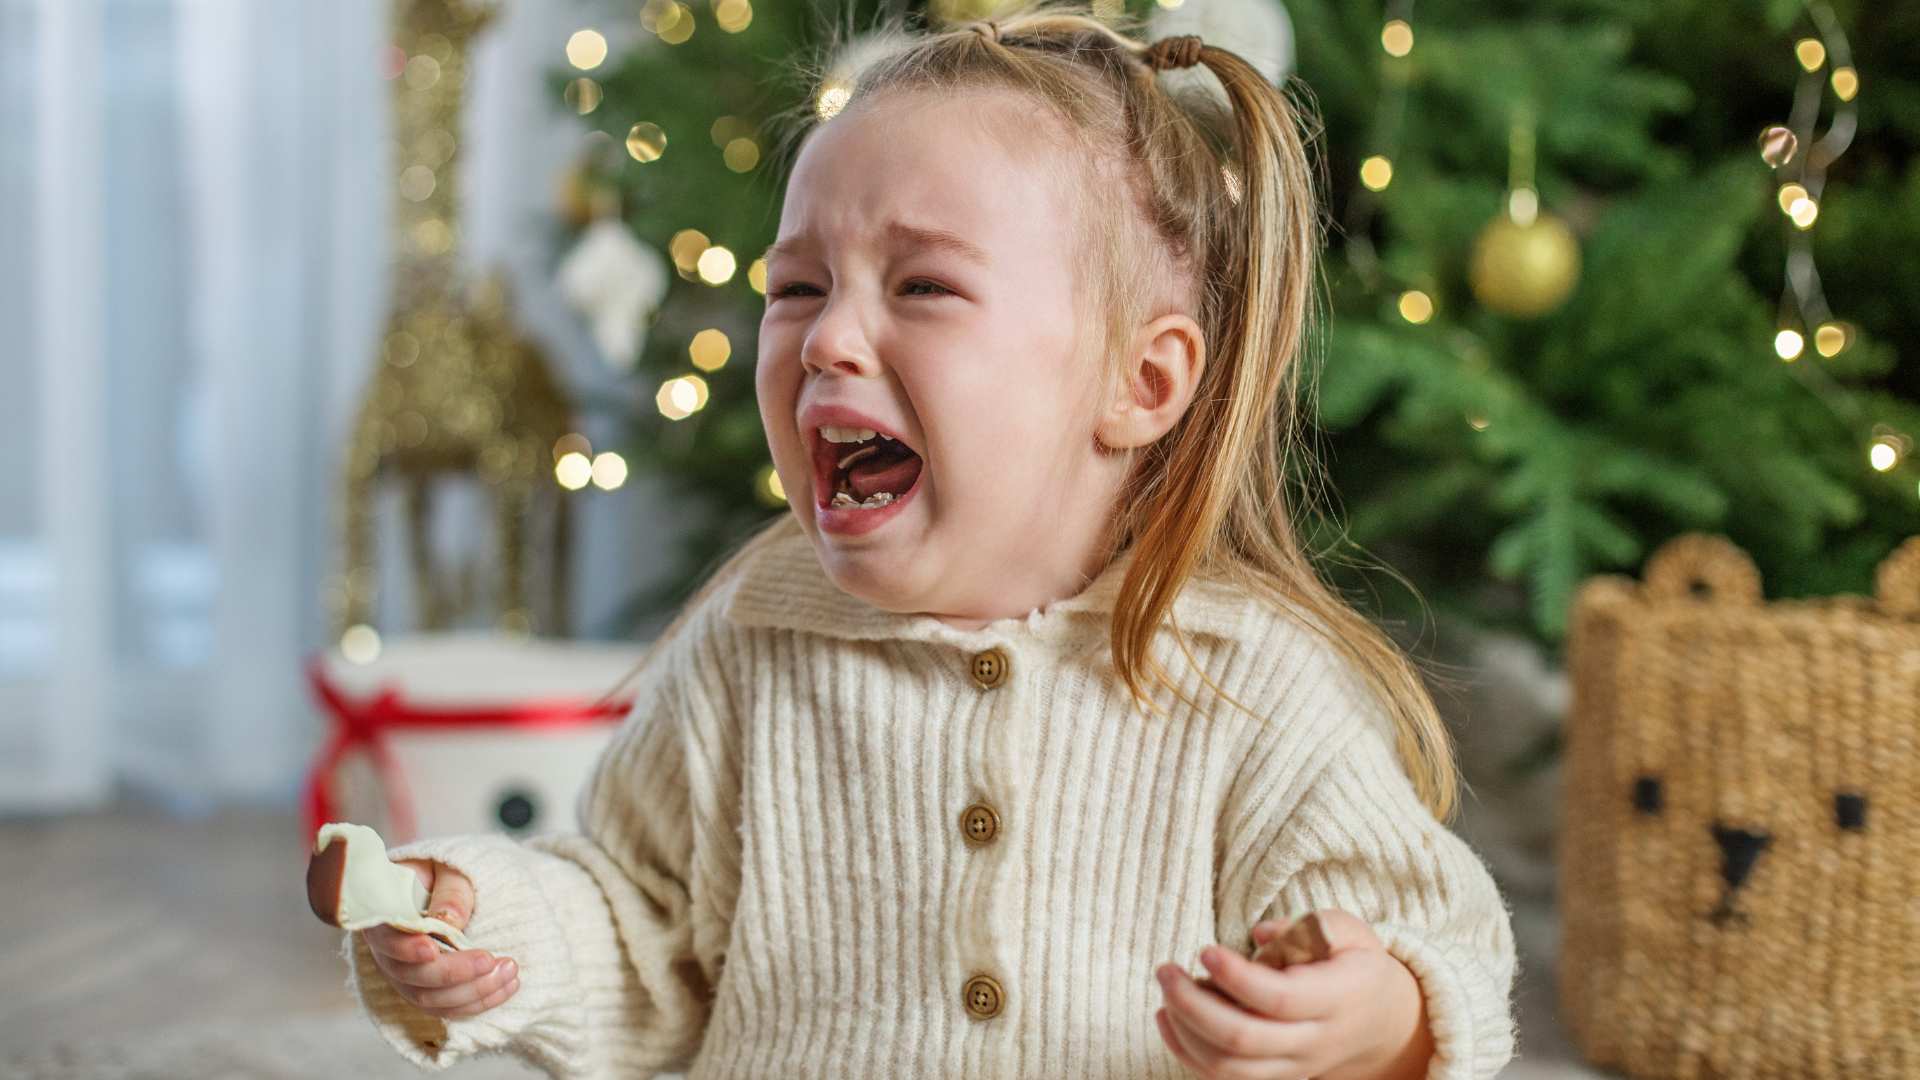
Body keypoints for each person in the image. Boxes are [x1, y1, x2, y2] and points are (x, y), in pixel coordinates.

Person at [338, 3, 1518, 1077]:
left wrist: (1376, 1018)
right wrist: (498, 930)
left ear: (1141, 381)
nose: (826, 340)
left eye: (922, 289)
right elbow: (640, 925)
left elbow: (1436, 944)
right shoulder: (754, 645)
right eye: (796, 287)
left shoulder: (1255, 688)